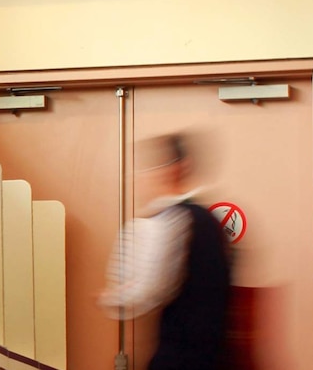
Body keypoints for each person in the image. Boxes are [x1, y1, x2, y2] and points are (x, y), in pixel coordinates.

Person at [98, 133, 230, 370]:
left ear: (179, 167)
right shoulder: (210, 220)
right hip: (212, 355)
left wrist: (110, 297)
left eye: (156, 166)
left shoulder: (171, 220)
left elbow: (149, 289)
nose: (147, 177)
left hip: (180, 357)